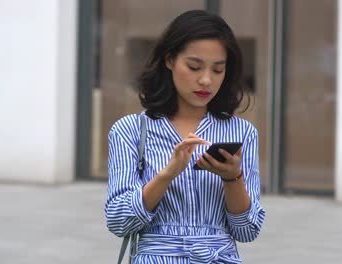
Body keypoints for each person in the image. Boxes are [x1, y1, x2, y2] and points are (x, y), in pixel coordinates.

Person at [105, 9, 265, 264]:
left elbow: (247, 231)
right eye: (194, 66)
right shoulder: (130, 130)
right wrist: (167, 174)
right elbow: (119, 222)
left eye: (218, 70)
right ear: (169, 60)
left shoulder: (242, 133)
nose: (206, 80)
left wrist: (232, 177)